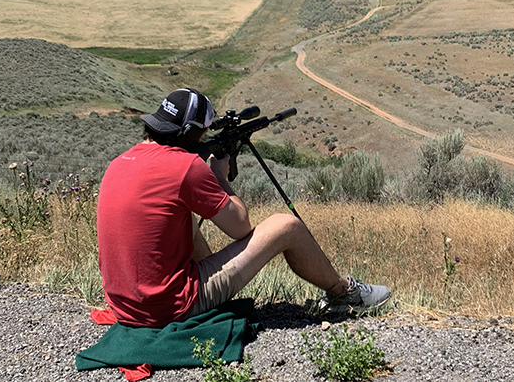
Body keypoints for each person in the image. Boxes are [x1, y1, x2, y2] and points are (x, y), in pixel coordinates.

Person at [97, 88, 390, 327]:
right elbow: (240, 227)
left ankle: (216, 296)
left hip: (126, 306)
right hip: (168, 308)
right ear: (189, 133)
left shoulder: (119, 163)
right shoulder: (184, 166)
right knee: (285, 226)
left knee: (180, 218)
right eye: (202, 133)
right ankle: (344, 293)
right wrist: (219, 178)